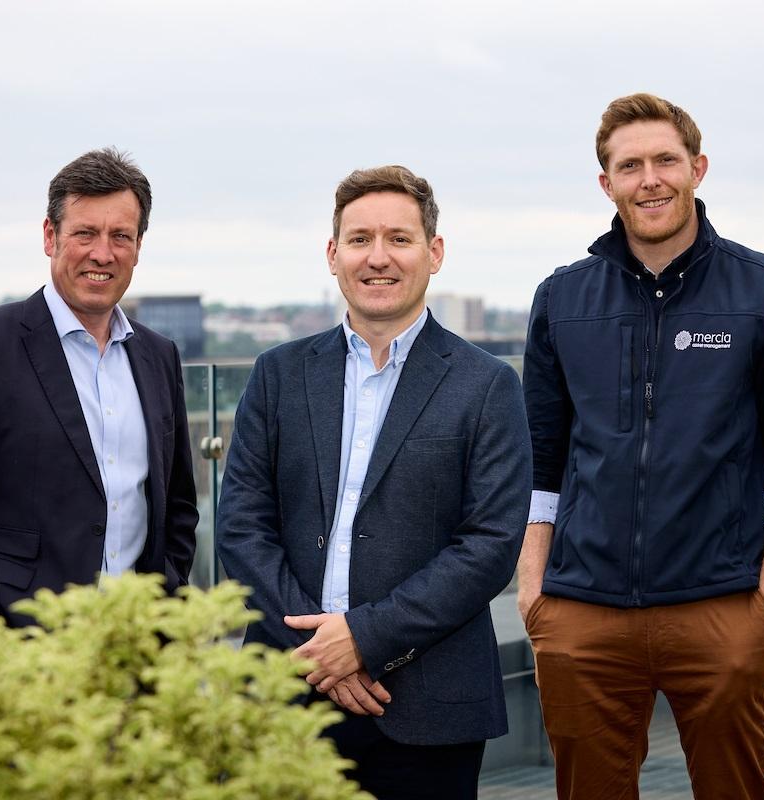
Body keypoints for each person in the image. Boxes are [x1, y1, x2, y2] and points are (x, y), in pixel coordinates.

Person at [518, 93, 764, 799]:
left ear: (697, 168)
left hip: (721, 605)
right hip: (582, 613)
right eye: (628, 165)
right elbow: (539, 459)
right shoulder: (562, 298)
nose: (650, 179)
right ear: (606, 183)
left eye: (665, 160)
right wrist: (536, 596)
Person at [216, 165, 531, 799]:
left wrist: (362, 638)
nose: (378, 257)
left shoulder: (487, 384)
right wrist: (320, 655)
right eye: (359, 239)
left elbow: (489, 547)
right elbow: (241, 527)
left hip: (427, 707)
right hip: (288, 693)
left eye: (399, 238)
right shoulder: (277, 374)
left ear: (433, 253)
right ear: (333, 256)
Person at [0, 147, 198, 625]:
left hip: (138, 640)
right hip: (25, 640)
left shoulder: (158, 355)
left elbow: (177, 502)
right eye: (85, 233)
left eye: (120, 236)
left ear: (139, 246)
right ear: (50, 236)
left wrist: (166, 595)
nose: (102, 253)